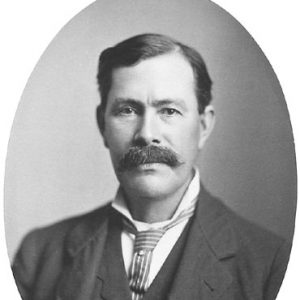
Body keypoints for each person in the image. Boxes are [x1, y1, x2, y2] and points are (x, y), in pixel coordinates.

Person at [12, 33, 290, 300]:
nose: (146, 133)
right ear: (102, 125)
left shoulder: (274, 265)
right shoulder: (39, 256)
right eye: (127, 110)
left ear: (203, 126)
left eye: (169, 110)